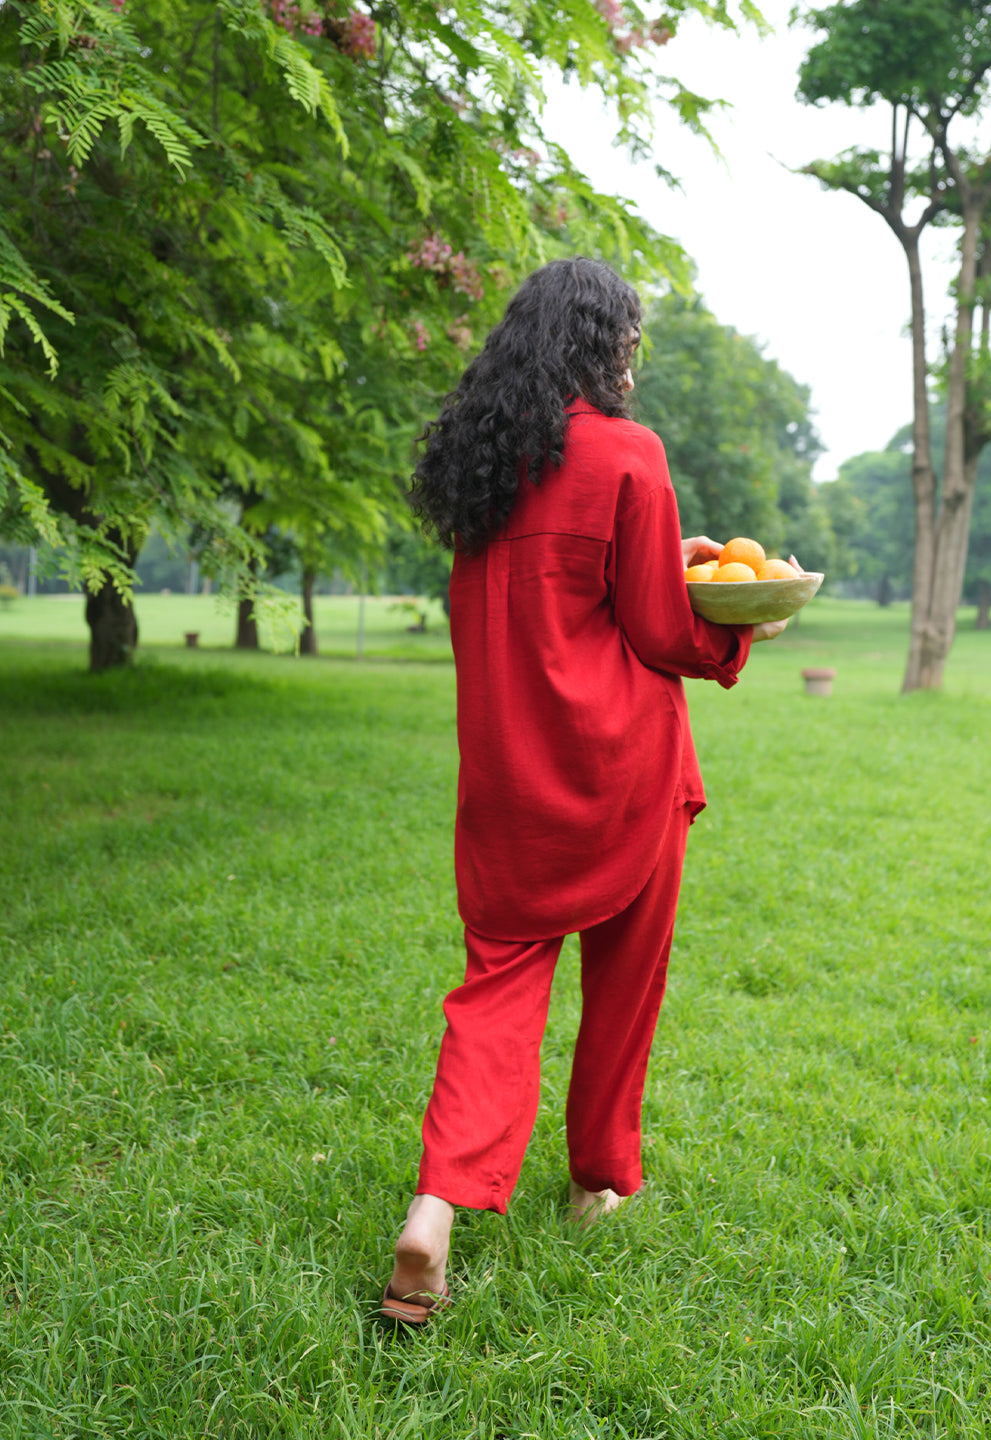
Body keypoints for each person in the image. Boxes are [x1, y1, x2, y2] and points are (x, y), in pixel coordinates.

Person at [379, 257, 788, 1326]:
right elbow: (660, 627)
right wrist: (745, 627)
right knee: (623, 982)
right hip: (622, 772)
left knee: (495, 995)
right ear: (605, 344)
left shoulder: (482, 465)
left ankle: (436, 1209)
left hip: (507, 786)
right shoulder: (628, 453)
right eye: (629, 344)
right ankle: (598, 1179)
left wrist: (669, 547)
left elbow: (568, 585)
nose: (632, 363)